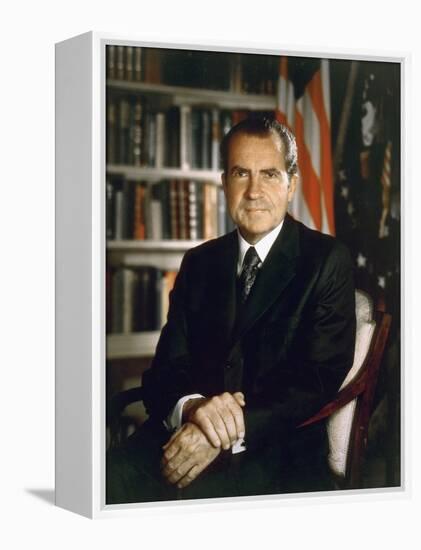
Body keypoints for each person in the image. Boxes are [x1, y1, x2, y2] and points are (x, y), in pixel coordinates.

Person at [106, 116, 356, 504]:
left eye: (269, 174)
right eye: (241, 173)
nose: (254, 191)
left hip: (272, 454)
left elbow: (315, 380)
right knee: (103, 482)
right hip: (179, 435)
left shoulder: (327, 260)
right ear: (224, 183)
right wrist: (193, 409)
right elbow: (166, 370)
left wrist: (221, 434)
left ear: (291, 185)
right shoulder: (198, 263)